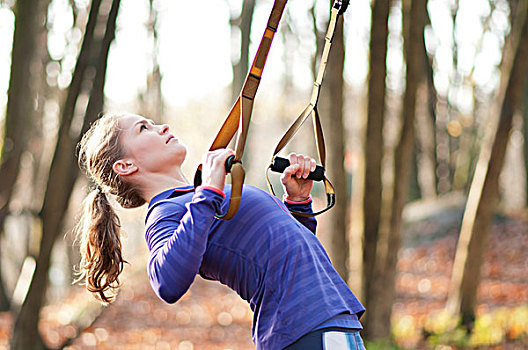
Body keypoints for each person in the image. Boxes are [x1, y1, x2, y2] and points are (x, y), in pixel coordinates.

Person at [75, 113, 366, 349]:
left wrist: (298, 201)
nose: (162, 126)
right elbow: (167, 283)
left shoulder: (201, 199)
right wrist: (209, 191)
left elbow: (290, 256)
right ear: (125, 165)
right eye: (143, 128)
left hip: (326, 319)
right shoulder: (166, 212)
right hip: (304, 328)